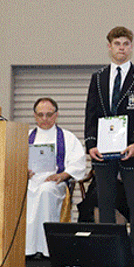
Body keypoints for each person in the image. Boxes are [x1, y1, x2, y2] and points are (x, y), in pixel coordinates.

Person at [84, 26, 134, 258]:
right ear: (109, 47)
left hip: (133, 150)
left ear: (131, 47)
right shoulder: (98, 78)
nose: (121, 48)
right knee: (105, 203)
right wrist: (91, 144)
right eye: (117, 44)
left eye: (125, 44)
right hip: (103, 150)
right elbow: (91, 112)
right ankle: (109, 251)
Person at [24, 97, 88, 257]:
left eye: (49, 114)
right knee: (23, 193)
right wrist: (23, 171)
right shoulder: (25, 136)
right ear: (34, 116)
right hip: (30, 181)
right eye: (40, 115)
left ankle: (46, 248)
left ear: (56, 115)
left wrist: (63, 175)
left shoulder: (67, 137)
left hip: (55, 182)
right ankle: (27, 248)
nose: (44, 119)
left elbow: (78, 163)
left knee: (46, 191)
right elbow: (15, 161)